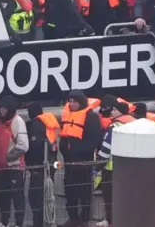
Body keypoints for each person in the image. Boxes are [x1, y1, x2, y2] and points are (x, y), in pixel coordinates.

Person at [60, 90, 103, 227]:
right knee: (69, 192)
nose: (71, 104)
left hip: (84, 162)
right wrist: (64, 151)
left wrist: (80, 152)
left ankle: (84, 220)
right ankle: (73, 218)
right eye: (70, 101)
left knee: (84, 192)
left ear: (81, 102)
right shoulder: (67, 116)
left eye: (74, 101)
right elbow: (64, 136)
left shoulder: (91, 117)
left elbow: (95, 140)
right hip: (69, 162)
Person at [0, 96, 29, 227]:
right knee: (3, 197)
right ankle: (3, 222)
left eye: (4, 108)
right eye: (0, 108)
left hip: (15, 168)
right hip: (0, 169)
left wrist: (7, 158)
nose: (2, 110)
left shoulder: (18, 121)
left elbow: (23, 145)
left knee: (17, 197)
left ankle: (19, 223)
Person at [96, 101, 136, 226]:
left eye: (114, 110)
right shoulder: (135, 124)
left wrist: (98, 164)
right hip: (131, 168)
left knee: (110, 197)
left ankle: (111, 220)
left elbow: (106, 148)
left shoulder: (114, 126)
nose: (112, 112)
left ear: (119, 111)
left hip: (112, 169)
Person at [25, 102, 60, 227]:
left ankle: (38, 224)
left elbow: (35, 148)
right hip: (50, 168)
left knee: (35, 200)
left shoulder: (35, 126)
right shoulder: (48, 124)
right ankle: (48, 222)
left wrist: (29, 165)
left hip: (38, 169)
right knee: (47, 198)